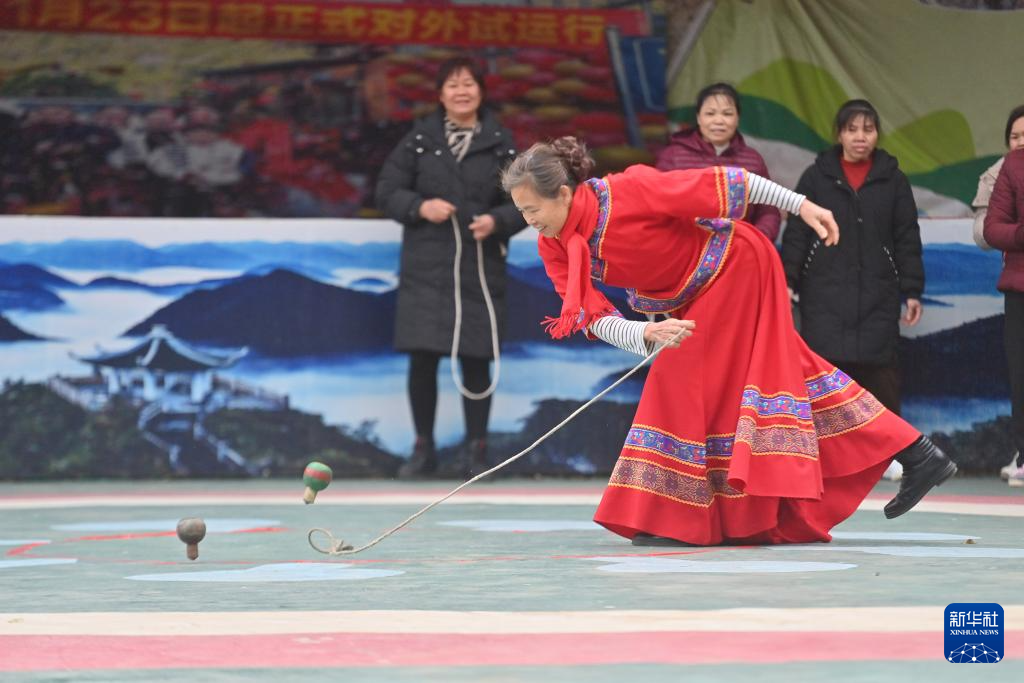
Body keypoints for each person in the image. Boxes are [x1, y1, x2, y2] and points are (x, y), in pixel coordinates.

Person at [500, 136, 955, 547]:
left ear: (564, 194)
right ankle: (917, 453)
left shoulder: (629, 191)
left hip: (735, 267)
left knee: (678, 377)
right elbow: (591, 315)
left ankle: (675, 513)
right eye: (521, 212)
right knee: (786, 371)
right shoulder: (554, 245)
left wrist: (801, 206)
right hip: (693, 296)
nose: (528, 220)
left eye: (532, 209)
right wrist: (643, 332)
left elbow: (727, 183)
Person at [375, 57, 526, 479]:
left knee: (476, 359)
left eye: (469, 84)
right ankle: (423, 449)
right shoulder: (419, 140)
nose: (462, 92)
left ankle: (477, 452)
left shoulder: (501, 143)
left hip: (478, 264)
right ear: (440, 95)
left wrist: (497, 221)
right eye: (453, 85)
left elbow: (526, 200)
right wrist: (419, 206)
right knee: (422, 358)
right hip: (426, 266)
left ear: (482, 91)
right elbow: (386, 191)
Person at [780, 99, 924, 482]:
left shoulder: (894, 179)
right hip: (823, 293)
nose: (861, 137)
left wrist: (912, 289)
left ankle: (889, 454)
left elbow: (907, 237)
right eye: (852, 129)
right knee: (824, 377)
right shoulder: (816, 177)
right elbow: (796, 234)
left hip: (878, 293)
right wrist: (788, 280)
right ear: (839, 134)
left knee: (881, 373)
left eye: (868, 129)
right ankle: (822, 455)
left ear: (877, 134)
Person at [656, 82, 781, 242]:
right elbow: (658, 205)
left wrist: (755, 239)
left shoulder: (752, 160)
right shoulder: (673, 156)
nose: (719, 120)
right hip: (685, 247)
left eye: (727, 114)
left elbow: (768, 210)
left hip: (738, 247)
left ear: (737, 118)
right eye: (710, 113)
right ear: (698, 118)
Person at [985, 144, 1024, 487]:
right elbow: (992, 228)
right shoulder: (1015, 163)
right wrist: (1020, 234)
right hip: (1020, 291)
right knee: (1021, 377)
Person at [972, 105, 1024, 252]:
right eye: (1015, 137)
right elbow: (981, 236)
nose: (1021, 142)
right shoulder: (992, 176)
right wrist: (1010, 230)